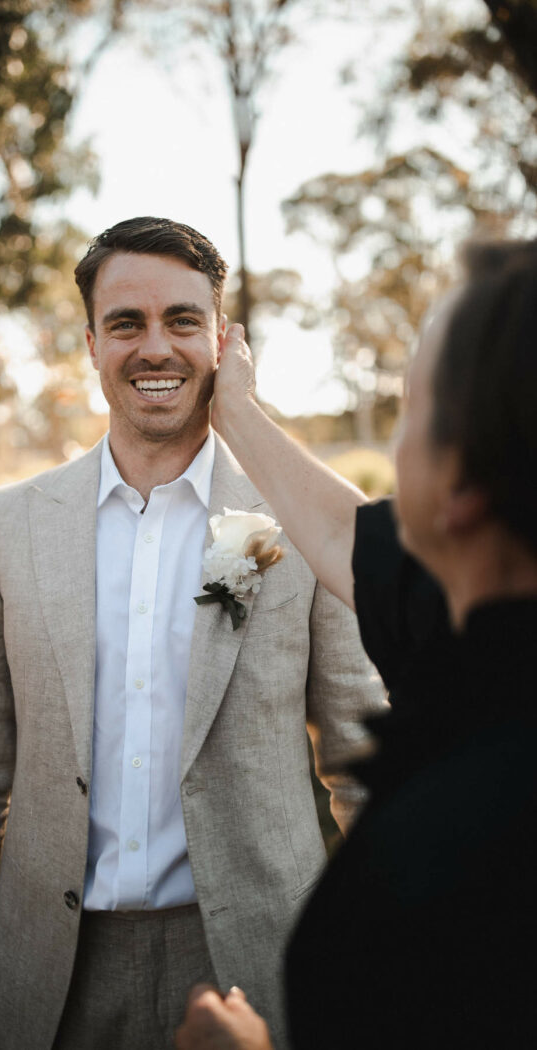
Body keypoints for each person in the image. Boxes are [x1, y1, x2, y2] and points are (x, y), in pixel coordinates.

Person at [0, 216, 385, 1050]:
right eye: (127, 323)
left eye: (183, 320)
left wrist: (414, 952)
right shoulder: (6, 526)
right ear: (92, 343)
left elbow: (364, 760)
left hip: (257, 964)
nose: (155, 347)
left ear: (222, 339)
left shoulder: (305, 525)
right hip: (53, 974)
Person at [176, 240, 537, 1050]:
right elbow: (349, 534)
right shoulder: (474, 621)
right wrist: (236, 408)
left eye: (412, 408)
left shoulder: (457, 862)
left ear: (463, 493)